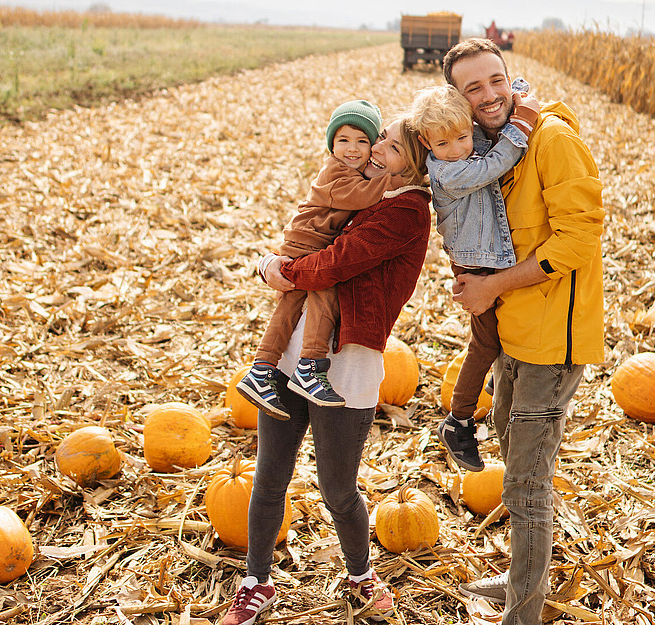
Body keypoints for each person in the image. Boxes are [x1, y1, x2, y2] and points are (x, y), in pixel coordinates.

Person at [219, 117, 432, 625]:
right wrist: (278, 261)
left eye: (390, 146)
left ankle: (360, 575)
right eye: (379, 139)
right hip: (296, 354)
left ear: (415, 162)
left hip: (348, 363)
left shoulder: (406, 209)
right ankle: (256, 582)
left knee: (338, 489)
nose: (376, 147)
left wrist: (278, 270)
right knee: (269, 478)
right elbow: (308, 230)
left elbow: (337, 262)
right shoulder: (357, 186)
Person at [442, 39, 605, 625]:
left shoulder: (552, 142)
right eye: (473, 88)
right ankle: (522, 578)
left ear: (512, 77)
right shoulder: (491, 149)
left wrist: (493, 286)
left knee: (526, 488)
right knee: (515, 461)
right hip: (515, 332)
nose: (489, 95)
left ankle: (524, 613)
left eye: (496, 79)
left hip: (553, 343)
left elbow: (578, 241)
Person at [236, 100, 406, 419]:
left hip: (307, 240)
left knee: (288, 306)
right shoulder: (337, 171)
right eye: (343, 140)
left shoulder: (351, 170)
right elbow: (363, 197)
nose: (353, 149)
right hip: (308, 242)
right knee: (325, 292)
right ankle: (310, 366)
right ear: (331, 144)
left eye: (362, 141)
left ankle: (261, 369)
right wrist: (399, 178)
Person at [406, 82, 539, 473]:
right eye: (443, 144)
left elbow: (484, 127)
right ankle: (459, 419)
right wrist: (523, 123)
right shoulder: (449, 171)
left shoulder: (465, 137)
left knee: (504, 327)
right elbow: (493, 165)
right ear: (426, 143)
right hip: (475, 263)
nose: (458, 148)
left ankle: (499, 382)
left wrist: (517, 92)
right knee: (482, 343)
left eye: (463, 137)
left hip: (491, 257)